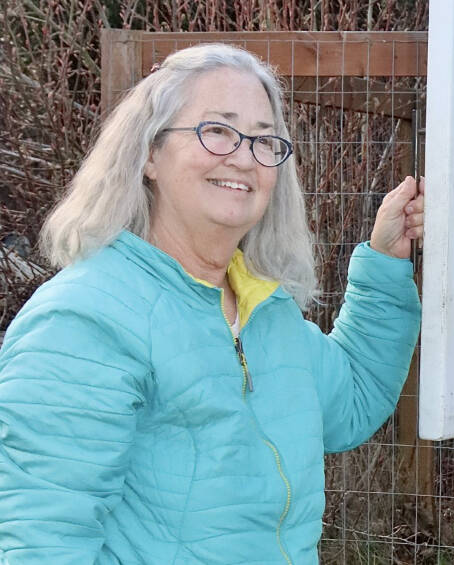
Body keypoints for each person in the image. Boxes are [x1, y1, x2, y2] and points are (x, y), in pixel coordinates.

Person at [0, 43, 424, 564]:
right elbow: (41, 543)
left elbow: (352, 398)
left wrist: (384, 260)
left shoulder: (263, 309)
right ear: (150, 154)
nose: (244, 156)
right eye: (217, 130)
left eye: (264, 139)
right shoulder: (84, 321)